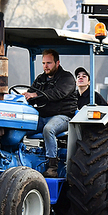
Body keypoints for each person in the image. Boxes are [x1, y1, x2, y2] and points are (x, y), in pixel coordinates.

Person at [23, 49, 77, 178]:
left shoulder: (67, 78)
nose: (45, 66)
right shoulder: (41, 79)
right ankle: (20, 158)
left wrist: (35, 94)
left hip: (63, 116)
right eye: (43, 63)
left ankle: (52, 166)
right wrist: (26, 96)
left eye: (49, 63)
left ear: (57, 63)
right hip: (42, 116)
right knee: (21, 127)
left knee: (49, 129)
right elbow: (31, 92)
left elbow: (57, 93)